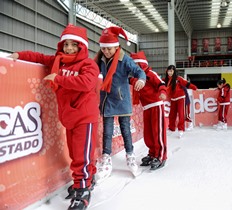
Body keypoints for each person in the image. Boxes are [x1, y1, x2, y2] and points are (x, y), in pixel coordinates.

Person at [9, 24, 99, 210]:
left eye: (74, 45)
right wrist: (20, 55)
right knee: (76, 154)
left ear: (82, 47)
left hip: (85, 117)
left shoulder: (88, 64)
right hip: (69, 117)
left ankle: (82, 191)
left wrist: (58, 79)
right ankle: (87, 179)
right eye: (66, 45)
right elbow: (40, 58)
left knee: (81, 156)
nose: (69, 49)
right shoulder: (59, 62)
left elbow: (87, 82)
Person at [94, 26, 146, 178]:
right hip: (107, 100)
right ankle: (106, 158)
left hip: (122, 101)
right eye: (104, 49)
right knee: (108, 132)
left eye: (109, 49)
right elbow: (90, 70)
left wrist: (141, 80)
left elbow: (139, 71)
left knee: (125, 130)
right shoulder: (100, 59)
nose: (106, 52)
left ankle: (130, 157)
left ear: (116, 46)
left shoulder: (125, 60)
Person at [130, 51, 167, 170]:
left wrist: (162, 92)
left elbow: (160, 83)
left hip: (156, 105)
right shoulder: (135, 78)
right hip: (146, 108)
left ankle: (161, 156)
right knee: (148, 134)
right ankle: (152, 153)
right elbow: (126, 79)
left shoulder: (149, 73)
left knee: (158, 132)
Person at [164, 65, 198, 138]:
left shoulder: (178, 78)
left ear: (174, 71)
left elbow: (186, 83)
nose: (170, 72)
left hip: (181, 98)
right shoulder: (166, 80)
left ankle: (181, 129)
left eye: (171, 71)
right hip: (173, 99)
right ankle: (171, 128)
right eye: (168, 71)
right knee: (172, 115)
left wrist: (193, 87)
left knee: (181, 114)